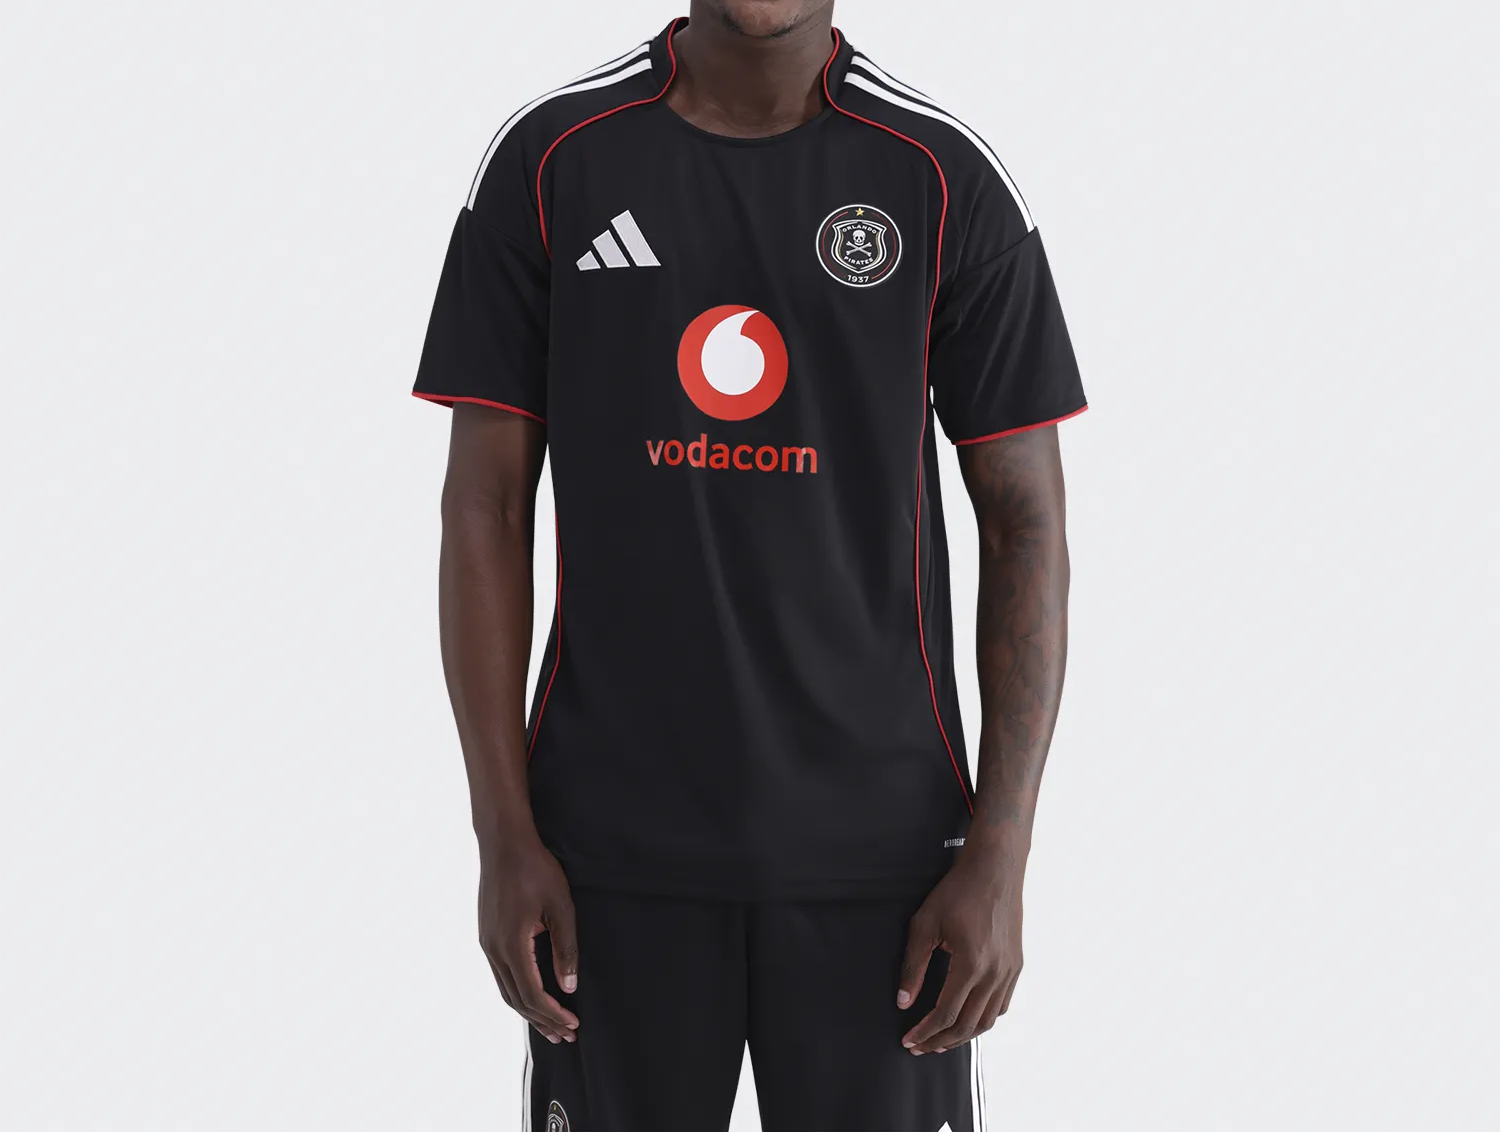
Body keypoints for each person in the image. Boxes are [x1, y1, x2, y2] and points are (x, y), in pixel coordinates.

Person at [412, 2, 1085, 1128]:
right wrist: (503, 832)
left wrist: (1001, 855)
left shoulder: (942, 177)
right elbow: (482, 506)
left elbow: (1027, 526)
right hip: (606, 858)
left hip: (888, 869)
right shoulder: (554, 160)